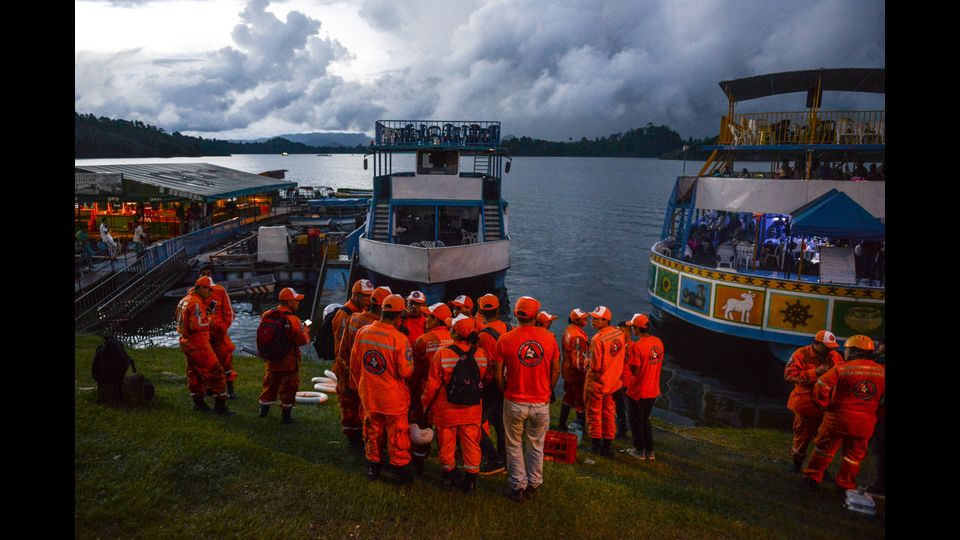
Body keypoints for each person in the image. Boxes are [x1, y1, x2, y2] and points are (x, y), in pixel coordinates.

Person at [492, 296, 560, 503]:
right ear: (536, 315)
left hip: (514, 400)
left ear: (516, 314)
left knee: (513, 445)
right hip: (540, 401)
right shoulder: (549, 338)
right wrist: (547, 389)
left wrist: (505, 389)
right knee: (536, 444)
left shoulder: (505, 339)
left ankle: (517, 486)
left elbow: (497, 373)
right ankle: (533, 483)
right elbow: (555, 369)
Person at [802, 335, 885, 493]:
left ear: (854, 352)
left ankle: (811, 479)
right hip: (864, 423)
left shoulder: (842, 368)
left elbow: (821, 386)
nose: (844, 352)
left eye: (846, 349)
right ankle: (845, 485)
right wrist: (874, 413)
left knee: (823, 450)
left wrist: (824, 404)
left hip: (837, 419)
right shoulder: (882, 372)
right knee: (853, 457)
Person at [351, 294, 415, 483]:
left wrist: (363, 386)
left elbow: (355, 365)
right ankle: (400, 469)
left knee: (372, 430)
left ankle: (373, 466)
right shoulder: (399, 339)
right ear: (399, 315)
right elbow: (405, 371)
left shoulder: (363, 332)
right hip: (392, 397)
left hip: (369, 394)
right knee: (397, 434)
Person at [422, 314, 489, 493]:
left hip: (447, 410)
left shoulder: (442, 354)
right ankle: (471, 483)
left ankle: (448, 479)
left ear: (455, 333)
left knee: (446, 444)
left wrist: (425, 404)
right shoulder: (481, 354)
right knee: (471, 445)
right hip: (472, 409)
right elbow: (482, 378)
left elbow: (433, 385)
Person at [784, 330, 844, 473]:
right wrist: (815, 373)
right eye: (827, 346)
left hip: (826, 405)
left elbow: (842, 374)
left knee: (824, 439)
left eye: (832, 346)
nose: (830, 349)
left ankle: (820, 468)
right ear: (816, 343)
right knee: (802, 436)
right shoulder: (801, 354)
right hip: (805, 404)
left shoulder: (835, 356)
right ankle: (796, 463)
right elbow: (789, 375)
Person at [175, 276, 232, 415]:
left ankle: (198, 403)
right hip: (198, 344)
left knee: (194, 373)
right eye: (209, 290)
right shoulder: (196, 303)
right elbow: (198, 325)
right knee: (217, 372)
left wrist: (204, 313)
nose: (211, 293)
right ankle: (220, 406)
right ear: (201, 288)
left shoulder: (184, 300)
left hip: (186, 342)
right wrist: (209, 319)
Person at [409, 302, 454, 474]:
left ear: (436, 319)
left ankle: (419, 462)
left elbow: (415, 372)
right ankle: (447, 468)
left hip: (426, 392)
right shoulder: (455, 337)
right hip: (450, 394)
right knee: (447, 431)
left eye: (428, 316)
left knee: (422, 427)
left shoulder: (423, 340)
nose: (425, 319)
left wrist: (412, 395)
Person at [344, 286, 392, 446]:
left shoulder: (353, 318)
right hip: (373, 379)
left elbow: (343, 349)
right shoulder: (380, 328)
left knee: (354, 409)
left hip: (354, 373)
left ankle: (354, 439)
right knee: (371, 415)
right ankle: (371, 447)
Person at [257, 287, 312, 423]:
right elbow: (302, 340)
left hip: (272, 359)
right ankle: (286, 418)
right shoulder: (293, 319)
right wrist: (305, 329)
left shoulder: (268, 314)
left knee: (270, 385)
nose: (298, 303)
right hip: (288, 361)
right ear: (289, 302)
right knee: (289, 387)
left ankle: (263, 412)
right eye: (296, 300)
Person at [332, 279, 374, 450]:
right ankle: (352, 438)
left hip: (358, 369)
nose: (369, 300)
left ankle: (361, 434)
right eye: (366, 296)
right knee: (349, 404)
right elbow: (343, 347)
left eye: (371, 296)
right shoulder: (344, 315)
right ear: (355, 295)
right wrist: (348, 369)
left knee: (360, 404)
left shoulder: (362, 314)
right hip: (346, 368)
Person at [476, 293, 512, 475]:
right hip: (505, 383)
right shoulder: (508, 327)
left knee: (475, 424)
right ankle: (505, 461)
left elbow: (484, 363)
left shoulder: (482, 335)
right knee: (500, 424)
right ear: (498, 310)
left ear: (480, 311)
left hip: (490, 385)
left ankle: (493, 458)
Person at [584, 306, 626, 456]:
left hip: (598, 384)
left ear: (605, 320)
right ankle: (607, 446)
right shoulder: (619, 334)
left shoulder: (597, 339)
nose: (592, 321)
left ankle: (596, 446)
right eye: (593, 317)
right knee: (609, 413)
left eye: (596, 318)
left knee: (594, 414)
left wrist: (587, 361)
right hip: (613, 383)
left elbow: (595, 366)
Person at [622, 314, 664, 460]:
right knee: (645, 419)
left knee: (636, 420)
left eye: (632, 327)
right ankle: (650, 451)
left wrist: (628, 362)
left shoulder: (638, 346)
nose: (631, 330)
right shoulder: (658, 342)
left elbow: (636, 371)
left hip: (638, 390)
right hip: (653, 388)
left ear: (637, 329)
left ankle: (639, 450)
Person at [197, 266, 237, 399]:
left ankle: (230, 388)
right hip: (204, 335)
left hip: (220, 335)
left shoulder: (220, 291)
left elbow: (229, 313)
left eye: (209, 274)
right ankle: (209, 388)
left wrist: (223, 328)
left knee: (226, 360)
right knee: (207, 362)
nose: (207, 276)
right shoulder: (193, 293)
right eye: (204, 274)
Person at [557, 308, 589, 432]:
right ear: (576, 320)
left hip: (567, 371)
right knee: (580, 401)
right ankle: (582, 428)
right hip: (576, 374)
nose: (586, 319)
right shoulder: (577, 336)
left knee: (568, 397)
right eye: (584, 317)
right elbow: (578, 361)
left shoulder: (569, 330)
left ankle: (561, 424)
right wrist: (586, 373)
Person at [613, 320, 633, 440]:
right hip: (619, 381)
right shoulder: (620, 345)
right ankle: (622, 432)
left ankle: (630, 431)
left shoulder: (631, 346)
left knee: (627, 409)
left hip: (627, 383)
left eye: (620, 330)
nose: (618, 333)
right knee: (619, 409)